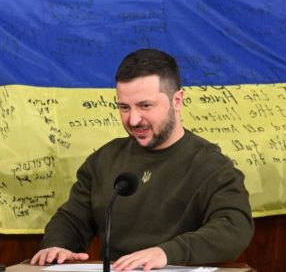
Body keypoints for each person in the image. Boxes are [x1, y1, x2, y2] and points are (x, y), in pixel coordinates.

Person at [30, 48, 254, 270]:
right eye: (124, 108)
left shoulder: (211, 166)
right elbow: (72, 220)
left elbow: (234, 227)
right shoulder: (104, 160)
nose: (134, 119)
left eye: (145, 106)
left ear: (177, 101)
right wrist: (57, 247)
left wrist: (166, 253)